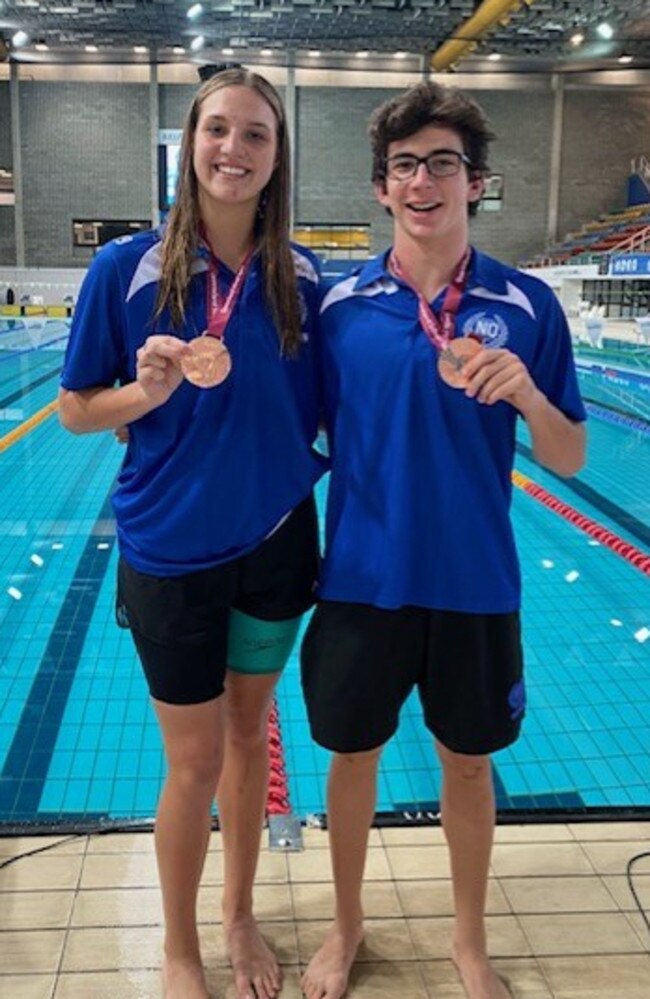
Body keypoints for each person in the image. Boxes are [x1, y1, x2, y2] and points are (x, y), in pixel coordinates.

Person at [300, 81, 586, 999]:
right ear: (381, 188)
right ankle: (346, 927)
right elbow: (287, 431)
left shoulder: (528, 304)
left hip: (475, 582)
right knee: (353, 759)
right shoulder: (340, 310)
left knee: (469, 761)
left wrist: (531, 397)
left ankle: (469, 939)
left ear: (477, 182)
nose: (424, 180)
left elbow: (572, 455)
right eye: (405, 166)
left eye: (444, 163)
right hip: (359, 580)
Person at [58, 67, 326, 999]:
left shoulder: (300, 277)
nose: (235, 150)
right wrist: (147, 391)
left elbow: (332, 409)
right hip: (169, 551)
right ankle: (179, 946)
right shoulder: (122, 270)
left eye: (257, 134)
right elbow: (76, 411)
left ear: (277, 155)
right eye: (219, 129)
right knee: (194, 759)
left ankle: (239, 913)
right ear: (189, 143)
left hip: (278, 542)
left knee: (249, 734)